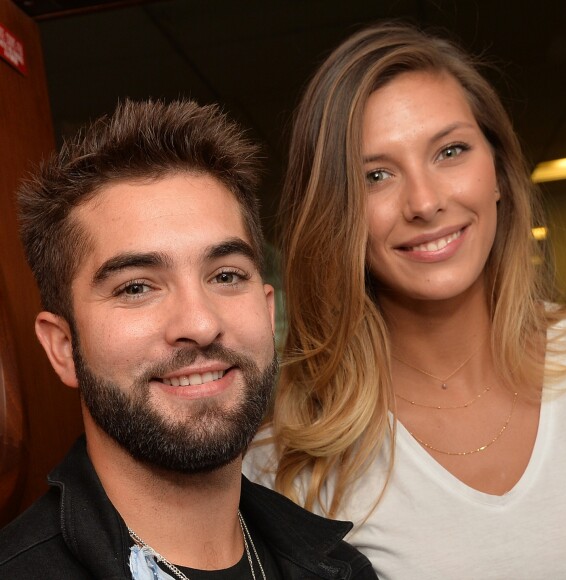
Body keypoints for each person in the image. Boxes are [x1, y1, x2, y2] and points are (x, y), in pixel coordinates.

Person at [244, 22, 566, 579]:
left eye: (450, 151)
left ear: (497, 170)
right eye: (376, 175)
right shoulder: (287, 458)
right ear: (337, 212)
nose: (424, 202)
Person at [0, 99, 377, 580]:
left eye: (224, 275)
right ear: (62, 347)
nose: (199, 324)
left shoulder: (340, 568)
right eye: (136, 287)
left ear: (268, 310)